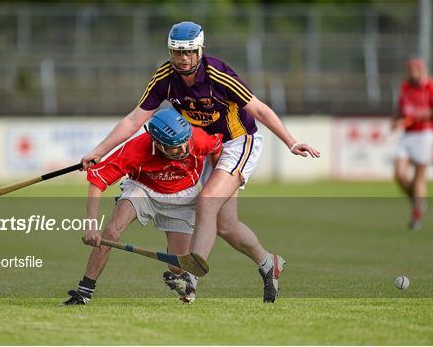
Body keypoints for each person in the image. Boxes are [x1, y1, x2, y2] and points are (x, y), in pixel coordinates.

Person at [81, 22, 319, 302]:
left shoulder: (218, 74)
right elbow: (135, 119)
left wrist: (290, 142)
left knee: (207, 201)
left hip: (237, 142)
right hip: (203, 144)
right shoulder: (165, 77)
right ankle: (269, 263)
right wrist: (100, 149)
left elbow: (258, 108)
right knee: (226, 226)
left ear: (200, 50)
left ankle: (189, 278)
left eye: (189, 52)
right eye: (176, 52)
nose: (182, 58)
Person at [62, 108, 223, 305]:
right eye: (175, 148)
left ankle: (186, 284)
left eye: (185, 144)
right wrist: (91, 226)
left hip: (183, 194)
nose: (184, 151)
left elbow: (216, 147)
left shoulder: (196, 139)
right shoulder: (137, 149)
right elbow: (97, 181)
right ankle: (83, 293)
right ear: (158, 143)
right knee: (111, 231)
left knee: (176, 266)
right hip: (143, 188)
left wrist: (215, 185)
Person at [393, 58, 433, 230]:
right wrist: (396, 120)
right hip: (408, 134)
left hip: (425, 134)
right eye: (410, 69)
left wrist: (429, 113)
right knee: (399, 174)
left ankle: (416, 214)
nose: (412, 72)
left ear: (422, 70)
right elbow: (401, 110)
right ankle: (418, 203)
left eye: (415, 69)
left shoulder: (431, 86)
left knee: (419, 176)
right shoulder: (405, 86)